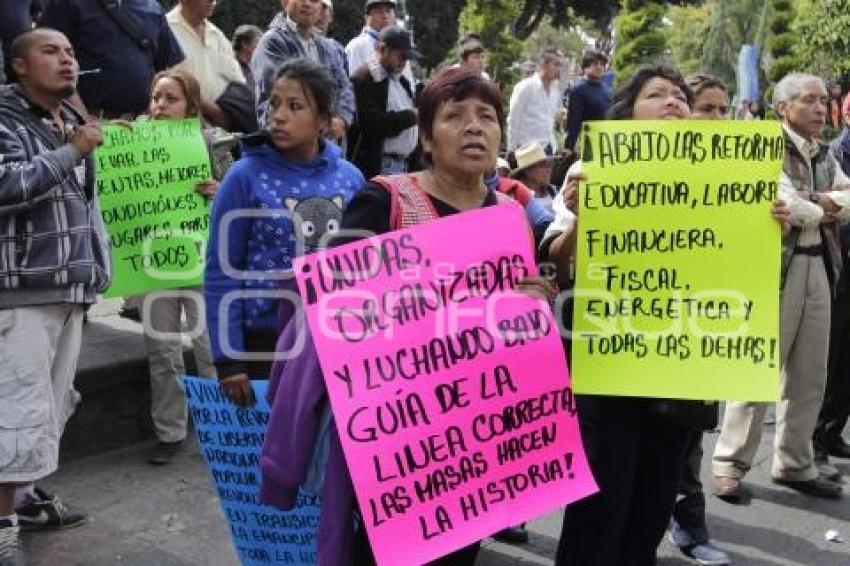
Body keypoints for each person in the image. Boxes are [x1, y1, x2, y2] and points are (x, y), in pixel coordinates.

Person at [260, 65, 556, 565]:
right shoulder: (384, 199)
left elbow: (517, 324)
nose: (474, 127)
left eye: (486, 116)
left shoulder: (510, 215)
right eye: (455, 116)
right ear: (425, 136)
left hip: (477, 435)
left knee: (459, 551)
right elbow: (336, 304)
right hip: (398, 437)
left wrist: (536, 305)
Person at [543, 65, 790, 566]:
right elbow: (555, 266)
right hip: (609, 364)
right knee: (600, 505)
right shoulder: (592, 171)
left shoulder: (732, 183)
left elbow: (736, 269)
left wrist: (767, 230)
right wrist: (580, 220)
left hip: (682, 367)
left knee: (652, 505)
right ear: (628, 111)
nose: (674, 102)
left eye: (680, 95)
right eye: (657, 95)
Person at [0, 28, 111, 565]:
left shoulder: (67, 122)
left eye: (71, 51)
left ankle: (22, 499)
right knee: (15, 413)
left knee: (47, 409)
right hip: (21, 296)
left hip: (69, 290)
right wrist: (72, 151)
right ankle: (1, 529)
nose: (67, 60)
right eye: (51, 52)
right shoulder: (5, 120)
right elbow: (6, 188)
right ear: (19, 64)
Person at [712, 73, 850, 502]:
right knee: (757, 367)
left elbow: (834, 199)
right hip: (774, 268)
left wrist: (819, 205)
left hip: (819, 266)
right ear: (783, 108)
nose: (819, 108)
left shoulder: (824, 151)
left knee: (810, 373)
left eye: (823, 101)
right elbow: (785, 205)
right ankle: (729, 463)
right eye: (808, 100)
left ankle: (794, 461)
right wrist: (824, 204)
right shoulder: (764, 146)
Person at [205, 58, 364, 407]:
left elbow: (364, 267)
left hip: (336, 341)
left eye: (295, 106)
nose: (278, 115)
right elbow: (220, 270)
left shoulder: (351, 179)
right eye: (274, 103)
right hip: (265, 344)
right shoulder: (243, 176)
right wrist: (229, 359)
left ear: (323, 121)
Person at [664, 73, 732, 566]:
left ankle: (689, 524)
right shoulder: (628, 168)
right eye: (704, 108)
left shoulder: (739, 173)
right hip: (640, 328)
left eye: (722, 110)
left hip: (703, 323)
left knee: (688, 436)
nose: (714, 119)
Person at [140, 69, 221, 465]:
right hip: (154, 266)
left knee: (208, 349)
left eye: (170, 98)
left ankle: (221, 429)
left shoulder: (211, 142)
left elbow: (238, 195)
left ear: (190, 104)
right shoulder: (134, 143)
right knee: (162, 350)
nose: (160, 106)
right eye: (156, 97)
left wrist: (217, 190)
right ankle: (169, 432)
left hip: (202, 262)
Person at [39, 0, 184, 118]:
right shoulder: (66, 4)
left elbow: (168, 69)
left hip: (143, 124)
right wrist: (83, 119)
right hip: (90, 121)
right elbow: (47, 67)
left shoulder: (153, 7)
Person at [252, 0, 354, 142]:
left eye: (314, 0)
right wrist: (320, 123)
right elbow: (274, 97)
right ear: (285, 2)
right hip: (289, 147)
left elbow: (344, 87)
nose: (307, 4)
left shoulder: (327, 46)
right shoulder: (273, 42)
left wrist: (341, 119)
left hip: (328, 147)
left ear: (321, 7)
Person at [816, 92, 850, 475]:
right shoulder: (837, 152)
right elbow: (839, 206)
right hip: (839, 263)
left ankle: (831, 432)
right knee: (831, 355)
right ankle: (816, 440)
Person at [167, 0, 256, 133]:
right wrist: (214, 112)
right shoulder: (165, 29)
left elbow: (237, 81)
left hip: (225, 130)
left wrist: (227, 116)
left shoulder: (217, 35)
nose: (212, 1)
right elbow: (163, 80)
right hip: (184, 130)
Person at [349, 26, 419, 178]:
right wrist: (410, 117)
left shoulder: (401, 81)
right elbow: (371, 124)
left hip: (403, 165)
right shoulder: (365, 78)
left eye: (407, 58)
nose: (404, 62)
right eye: (401, 56)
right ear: (382, 49)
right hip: (380, 167)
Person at [507, 48, 563, 153]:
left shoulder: (555, 91)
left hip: (547, 148)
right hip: (526, 149)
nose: (559, 69)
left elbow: (549, 120)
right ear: (543, 65)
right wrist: (511, 150)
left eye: (560, 65)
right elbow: (513, 119)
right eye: (556, 64)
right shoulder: (526, 87)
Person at [564, 50, 610, 154]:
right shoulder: (578, 90)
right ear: (585, 67)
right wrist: (569, 147)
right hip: (589, 146)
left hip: (607, 143)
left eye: (602, 64)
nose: (599, 67)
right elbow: (574, 121)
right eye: (595, 64)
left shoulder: (607, 89)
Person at [345, 0, 396, 77]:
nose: (385, 16)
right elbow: (353, 83)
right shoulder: (358, 45)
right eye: (378, 12)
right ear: (367, 17)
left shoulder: (397, 45)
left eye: (388, 11)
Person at [511, 141, 557, 214]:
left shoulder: (553, 191)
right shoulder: (514, 197)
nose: (549, 169)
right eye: (543, 165)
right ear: (528, 171)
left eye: (549, 164)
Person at [232, 24, 263, 92]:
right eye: (258, 42)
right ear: (244, 44)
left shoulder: (256, 68)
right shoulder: (230, 67)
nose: (262, 47)